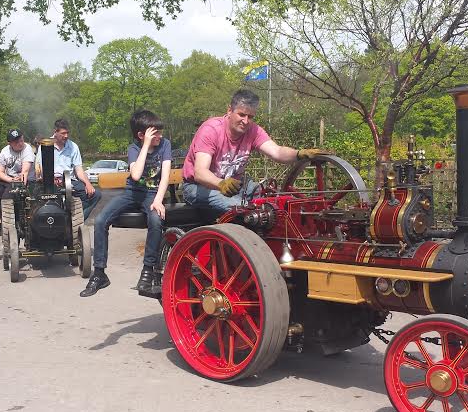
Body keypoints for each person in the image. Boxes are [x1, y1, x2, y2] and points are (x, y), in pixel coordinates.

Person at [182, 89, 324, 212]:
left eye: (250, 117)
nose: (246, 121)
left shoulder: (254, 131)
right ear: (229, 110)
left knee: (275, 204)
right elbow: (200, 173)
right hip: (197, 188)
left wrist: (299, 154)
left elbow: (277, 152)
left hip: (236, 187)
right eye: (241, 115)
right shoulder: (211, 130)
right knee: (243, 210)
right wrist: (221, 184)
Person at [81, 110, 172, 297]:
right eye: (155, 133)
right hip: (131, 193)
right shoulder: (134, 149)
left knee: (155, 220)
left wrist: (158, 200)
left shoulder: (165, 145)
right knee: (100, 221)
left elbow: (165, 176)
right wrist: (146, 145)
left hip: (152, 194)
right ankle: (99, 273)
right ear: (141, 135)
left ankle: (148, 272)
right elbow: (136, 175)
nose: (160, 136)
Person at [0, 129, 35, 257]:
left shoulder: (28, 149)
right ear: (10, 143)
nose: (20, 143)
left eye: (21, 140)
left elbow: (25, 169)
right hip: (7, 180)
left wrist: (21, 176)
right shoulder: (5, 151)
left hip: (24, 183)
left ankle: (9, 238)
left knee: (6, 199)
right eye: (16, 142)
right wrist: (9, 179)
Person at [34, 119, 101, 219]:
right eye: (63, 133)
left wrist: (88, 184)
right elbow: (39, 169)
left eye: (67, 133)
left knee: (95, 195)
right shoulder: (45, 145)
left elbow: (79, 170)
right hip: (50, 181)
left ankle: (74, 220)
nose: (66, 136)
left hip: (69, 181)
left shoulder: (73, 147)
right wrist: (50, 179)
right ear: (55, 132)